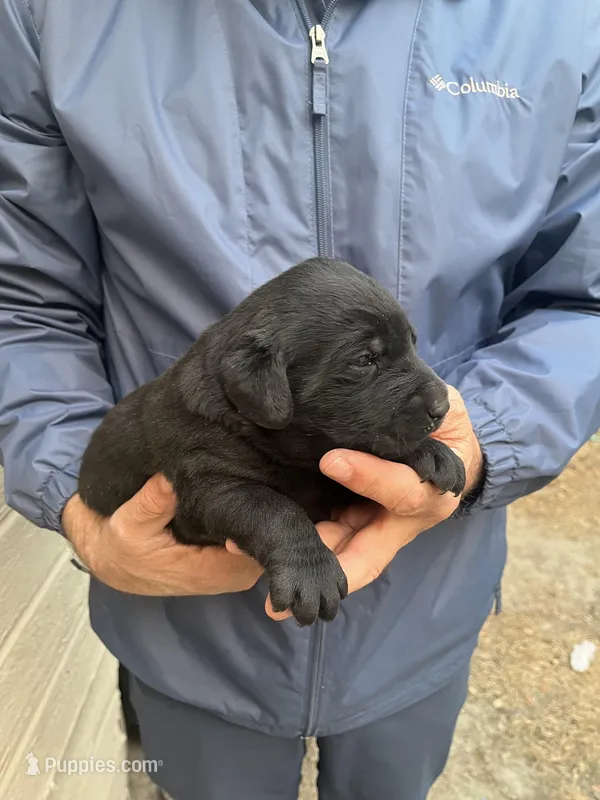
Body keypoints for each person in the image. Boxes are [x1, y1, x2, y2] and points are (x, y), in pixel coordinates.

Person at [1, 1, 599, 798]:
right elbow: (19, 301)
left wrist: (482, 432)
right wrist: (77, 505)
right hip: (188, 632)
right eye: (375, 364)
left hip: (422, 608)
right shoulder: (52, 15)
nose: (425, 388)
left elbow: (583, 299)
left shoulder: (562, 18)